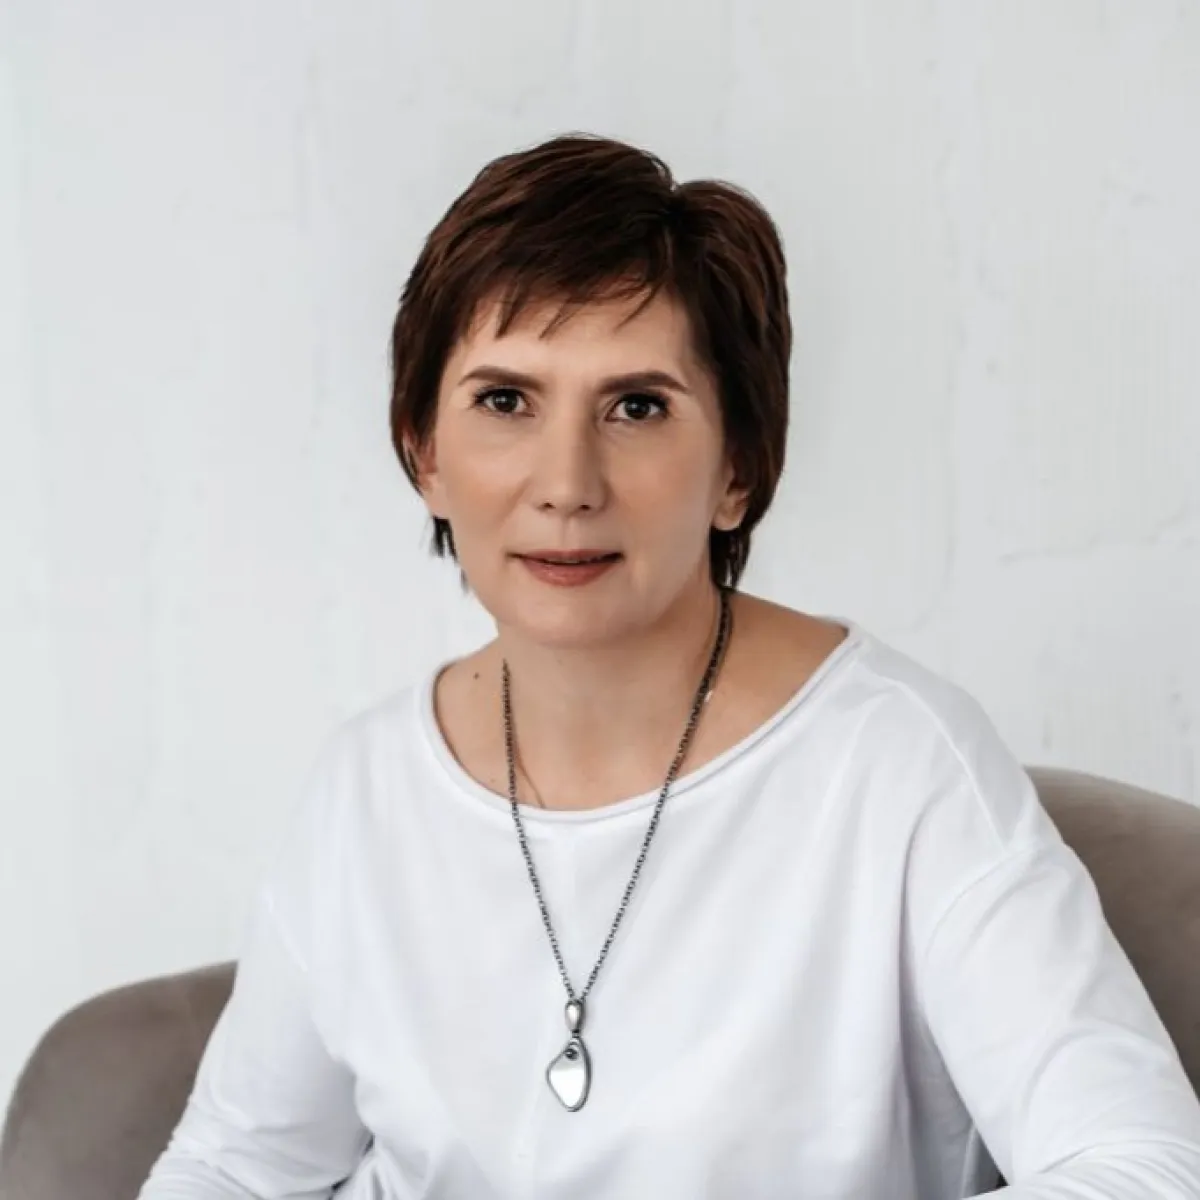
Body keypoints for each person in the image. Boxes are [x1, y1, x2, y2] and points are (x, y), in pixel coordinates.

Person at [138, 133, 1200, 1199]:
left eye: (637, 407)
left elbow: (1141, 1169)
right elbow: (237, 1167)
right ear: (426, 454)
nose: (567, 483)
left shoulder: (897, 767)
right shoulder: (366, 788)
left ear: (737, 468)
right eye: (505, 400)